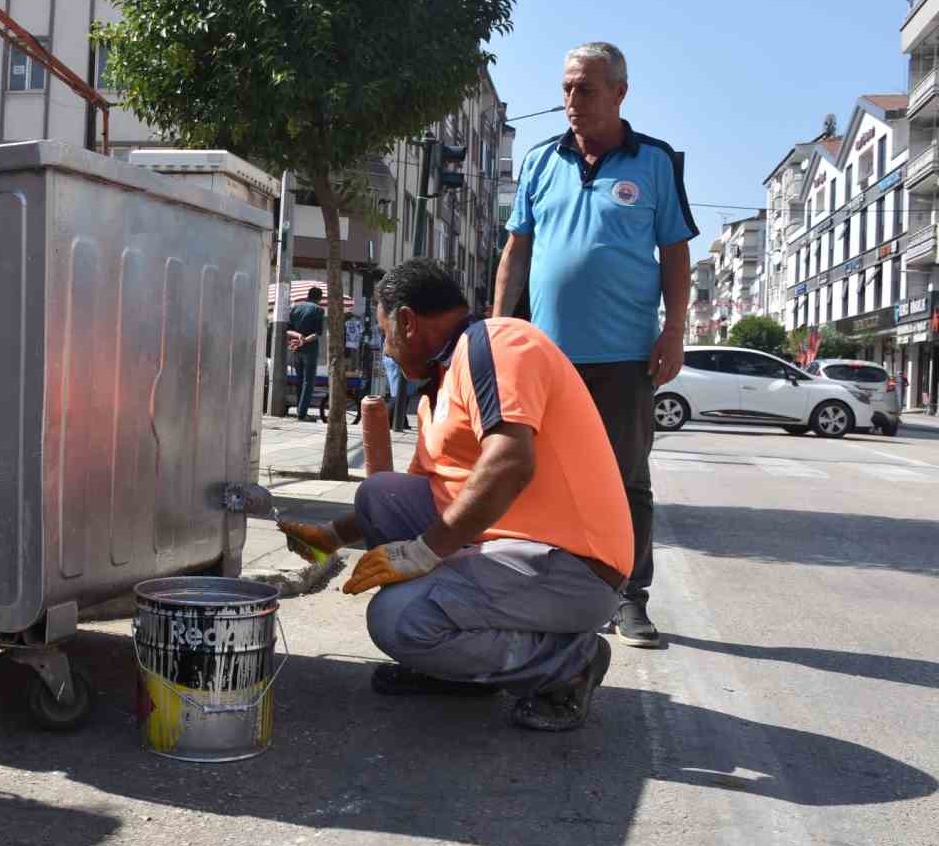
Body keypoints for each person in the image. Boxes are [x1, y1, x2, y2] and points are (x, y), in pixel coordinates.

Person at [279, 259, 631, 731]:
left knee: (397, 620)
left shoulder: (498, 343)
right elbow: (419, 498)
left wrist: (425, 552)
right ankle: (454, 665)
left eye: (385, 334)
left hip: (573, 567)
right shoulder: (439, 386)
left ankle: (568, 664)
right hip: (515, 546)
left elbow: (509, 461)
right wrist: (329, 536)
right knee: (380, 494)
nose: (386, 348)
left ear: (407, 321)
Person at [492, 42, 697, 650]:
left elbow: (676, 252)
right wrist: (500, 329)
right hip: (544, 357)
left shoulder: (654, 163)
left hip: (624, 356)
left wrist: (675, 330)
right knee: (537, 476)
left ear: (619, 93)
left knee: (626, 480)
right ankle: (549, 590)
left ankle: (630, 598)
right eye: (566, 89)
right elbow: (517, 250)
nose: (571, 102)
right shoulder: (540, 161)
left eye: (585, 89)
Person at [288, 286, 326, 422]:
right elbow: (317, 333)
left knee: (299, 380)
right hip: (309, 350)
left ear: (308, 295)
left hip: (296, 349)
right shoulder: (318, 310)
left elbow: (288, 330)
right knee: (308, 381)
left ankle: (300, 409)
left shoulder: (295, 308)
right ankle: (302, 413)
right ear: (319, 298)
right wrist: (304, 341)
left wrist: (298, 337)